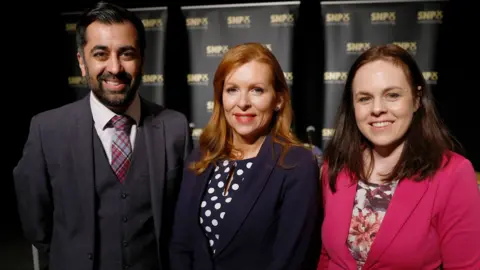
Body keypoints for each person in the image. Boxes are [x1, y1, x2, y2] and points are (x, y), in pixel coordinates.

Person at [13, 2, 192, 270]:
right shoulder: (46, 130)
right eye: (100, 54)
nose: (115, 67)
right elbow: (37, 224)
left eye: (126, 53)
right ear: (82, 63)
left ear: (142, 58)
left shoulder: (175, 128)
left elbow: (185, 220)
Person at [317, 44, 480, 269]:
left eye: (392, 95)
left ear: (416, 99)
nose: (377, 109)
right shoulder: (335, 166)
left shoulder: (453, 173)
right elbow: (327, 256)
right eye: (364, 98)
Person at [169, 42, 321, 270]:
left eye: (256, 90)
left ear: (278, 99)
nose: (242, 103)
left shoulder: (297, 164)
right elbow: (181, 244)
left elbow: (290, 261)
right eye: (232, 89)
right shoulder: (201, 155)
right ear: (221, 97)